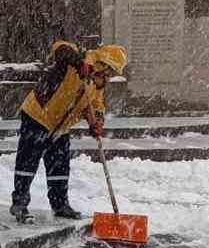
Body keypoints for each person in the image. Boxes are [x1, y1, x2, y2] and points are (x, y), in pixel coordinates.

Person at [10, 41, 128, 223]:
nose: (110, 76)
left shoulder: (97, 83)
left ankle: (60, 205)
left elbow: (96, 105)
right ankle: (19, 203)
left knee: (60, 164)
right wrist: (79, 64)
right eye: (111, 71)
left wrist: (97, 122)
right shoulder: (77, 60)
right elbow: (60, 48)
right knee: (28, 160)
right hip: (38, 115)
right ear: (105, 64)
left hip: (61, 126)